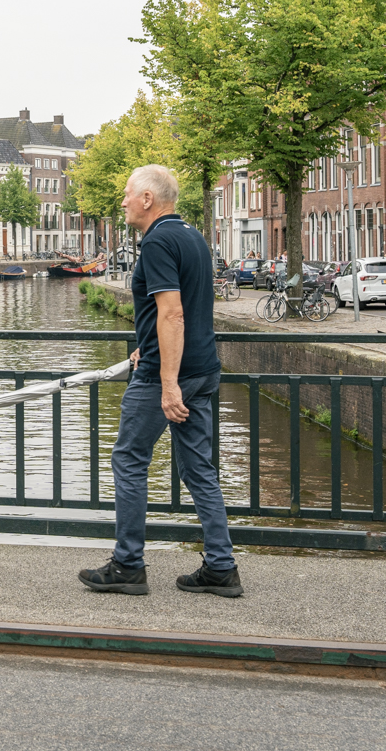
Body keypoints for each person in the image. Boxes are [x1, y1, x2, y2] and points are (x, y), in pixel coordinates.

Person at [79, 164, 242, 598]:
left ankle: (128, 565)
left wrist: (167, 381)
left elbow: (173, 312)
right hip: (204, 370)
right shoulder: (192, 237)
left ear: (148, 199)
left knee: (129, 460)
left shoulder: (156, 242)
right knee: (199, 469)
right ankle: (221, 568)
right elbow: (184, 307)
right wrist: (145, 344)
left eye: (129, 194)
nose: (124, 201)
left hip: (166, 378)